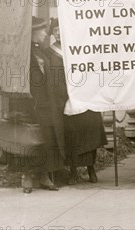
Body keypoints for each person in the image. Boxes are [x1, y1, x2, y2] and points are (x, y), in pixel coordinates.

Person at [46, 18, 106, 185]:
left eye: (61, 30)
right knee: (71, 138)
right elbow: (52, 80)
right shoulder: (50, 53)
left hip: (84, 98)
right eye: (55, 30)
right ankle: (73, 172)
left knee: (88, 134)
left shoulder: (79, 49)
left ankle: (91, 169)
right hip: (64, 101)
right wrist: (64, 97)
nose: (58, 33)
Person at [17, 17, 65, 193]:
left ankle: (44, 174)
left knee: (46, 140)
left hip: (47, 104)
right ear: (33, 33)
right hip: (31, 104)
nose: (46, 34)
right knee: (30, 141)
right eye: (43, 31)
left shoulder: (41, 52)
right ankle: (27, 176)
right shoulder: (24, 54)